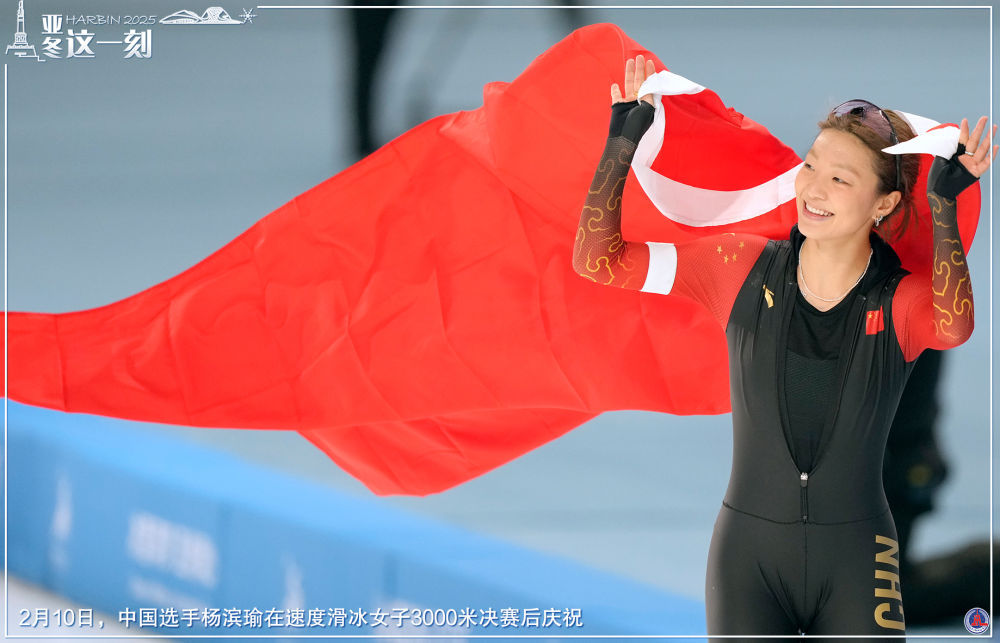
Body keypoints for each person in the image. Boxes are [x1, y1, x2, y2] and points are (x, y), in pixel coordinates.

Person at [572, 54, 996, 638]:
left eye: (840, 179)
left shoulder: (899, 303)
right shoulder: (736, 267)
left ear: (884, 204)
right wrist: (623, 140)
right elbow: (598, 261)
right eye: (811, 165)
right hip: (748, 559)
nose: (814, 189)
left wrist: (944, 208)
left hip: (858, 557)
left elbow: (952, 327)